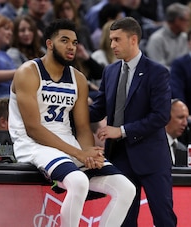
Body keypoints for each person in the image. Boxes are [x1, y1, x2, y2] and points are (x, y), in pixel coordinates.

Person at [8, 19, 135, 227]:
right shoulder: (28, 72)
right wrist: (79, 154)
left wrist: (88, 152)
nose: (71, 47)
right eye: (64, 41)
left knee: (126, 188)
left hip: (66, 144)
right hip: (32, 144)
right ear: (49, 44)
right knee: (78, 181)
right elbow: (33, 129)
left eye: (75, 43)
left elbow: (84, 127)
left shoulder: (78, 79)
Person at [89, 17, 177, 226]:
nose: (112, 45)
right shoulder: (109, 71)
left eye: (117, 40)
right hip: (119, 156)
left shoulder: (157, 72)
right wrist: (68, 114)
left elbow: (160, 116)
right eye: (111, 40)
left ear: (133, 40)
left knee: (164, 218)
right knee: (126, 220)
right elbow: (98, 109)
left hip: (152, 157)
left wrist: (122, 130)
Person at [145, 2, 190, 69]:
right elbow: (158, 69)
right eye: (187, 20)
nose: (188, 23)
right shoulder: (156, 39)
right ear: (177, 20)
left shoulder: (185, 37)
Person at [165, 99, 189, 166]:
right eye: (180, 117)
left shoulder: (183, 149)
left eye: (186, 118)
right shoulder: (152, 147)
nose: (185, 123)